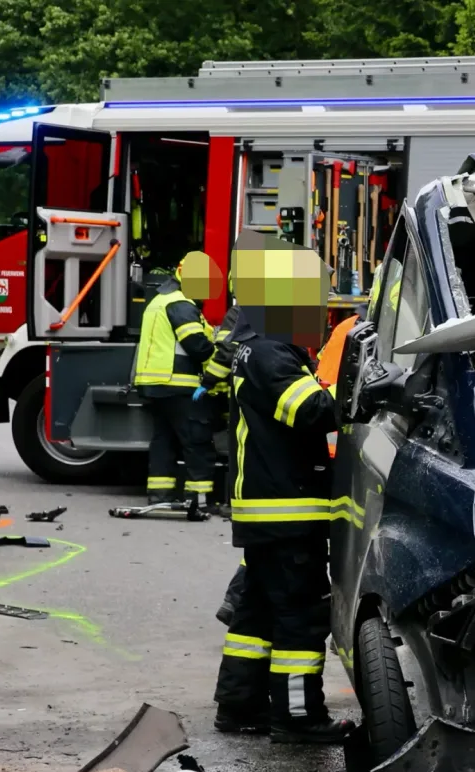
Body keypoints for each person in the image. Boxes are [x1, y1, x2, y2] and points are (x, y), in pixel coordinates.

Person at [211, 231, 349, 742]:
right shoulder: (272, 353)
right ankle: (297, 717)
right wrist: (359, 391)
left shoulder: (254, 347)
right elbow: (310, 412)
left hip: (266, 510)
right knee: (299, 617)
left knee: (257, 612)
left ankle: (238, 706)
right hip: (287, 510)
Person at [131, 251, 220, 506]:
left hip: (154, 386)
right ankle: (198, 499)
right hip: (178, 385)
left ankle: (160, 495)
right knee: (196, 442)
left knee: (163, 442)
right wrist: (217, 350)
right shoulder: (181, 304)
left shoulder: (159, 301)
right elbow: (197, 346)